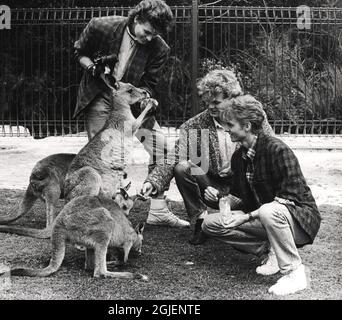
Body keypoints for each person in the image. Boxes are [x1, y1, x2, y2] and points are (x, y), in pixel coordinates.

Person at [73, 0, 188, 227]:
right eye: (146, 32)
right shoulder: (101, 26)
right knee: (105, 158)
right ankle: (102, 216)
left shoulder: (159, 48)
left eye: (153, 35)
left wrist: (144, 97)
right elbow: (79, 52)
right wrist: (91, 67)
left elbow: (149, 84)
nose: (148, 38)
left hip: (131, 102)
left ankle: (158, 210)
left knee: (162, 147)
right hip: (100, 95)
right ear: (137, 19)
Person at [201, 95, 321, 295]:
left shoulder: (277, 150)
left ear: (247, 126)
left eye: (230, 124)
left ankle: (294, 273)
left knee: (268, 211)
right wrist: (223, 200)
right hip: (266, 218)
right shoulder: (239, 157)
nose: (227, 128)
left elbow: (287, 199)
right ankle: (270, 249)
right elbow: (240, 195)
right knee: (210, 223)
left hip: (298, 221)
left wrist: (246, 217)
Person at [141, 69, 274, 242]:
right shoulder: (196, 124)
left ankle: (256, 217)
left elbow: (270, 146)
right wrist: (154, 181)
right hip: (210, 184)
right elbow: (175, 155)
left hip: (243, 183)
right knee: (183, 168)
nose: (211, 106)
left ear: (231, 98)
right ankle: (200, 220)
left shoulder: (251, 116)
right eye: (207, 102)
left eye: (216, 102)